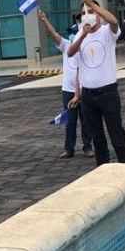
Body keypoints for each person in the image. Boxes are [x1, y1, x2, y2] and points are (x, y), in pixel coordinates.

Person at [67, 0, 125, 165]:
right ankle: (103, 169)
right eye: (83, 13)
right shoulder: (79, 35)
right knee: (97, 137)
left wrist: (92, 4)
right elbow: (70, 53)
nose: (86, 15)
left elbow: (114, 21)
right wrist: (82, 35)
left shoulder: (107, 32)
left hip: (108, 93)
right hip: (88, 95)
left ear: (99, 14)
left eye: (90, 12)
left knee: (116, 134)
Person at [38, 9, 94, 159]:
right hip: (68, 90)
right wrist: (44, 20)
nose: (72, 35)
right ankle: (69, 148)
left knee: (86, 120)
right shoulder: (66, 45)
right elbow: (54, 34)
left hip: (85, 89)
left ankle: (88, 147)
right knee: (70, 120)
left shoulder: (85, 46)